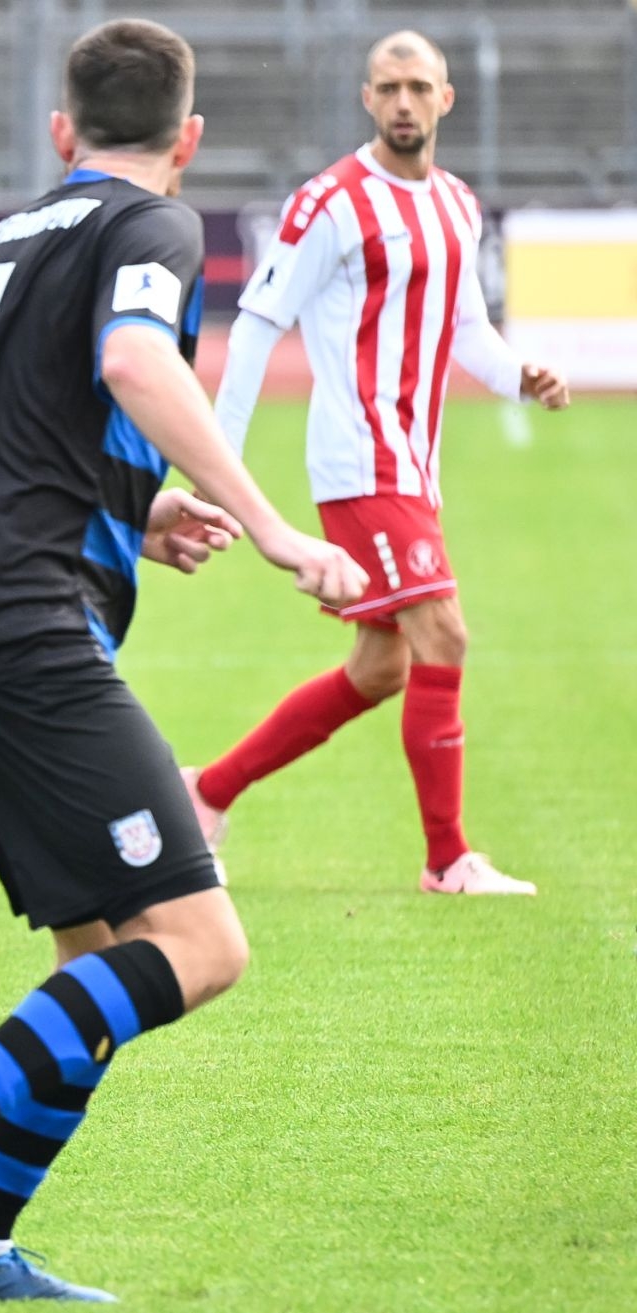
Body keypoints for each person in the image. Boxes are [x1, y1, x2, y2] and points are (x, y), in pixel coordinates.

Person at [0, 20, 368, 1302]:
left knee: (99, 959)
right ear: (190, 138)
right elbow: (132, 358)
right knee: (202, 942)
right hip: (27, 625)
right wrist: (276, 527)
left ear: (61, 132)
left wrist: (137, 505)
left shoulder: (8, 240)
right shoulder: (157, 226)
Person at [183, 30, 571, 897]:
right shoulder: (331, 202)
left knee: (382, 667)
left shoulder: (457, 204)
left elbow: (467, 327)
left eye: (418, 87)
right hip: (361, 460)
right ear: (366, 98)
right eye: (388, 87)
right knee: (445, 633)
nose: (403, 102)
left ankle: (205, 794)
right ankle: (447, 858)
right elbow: (257, 324)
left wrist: (519, 375)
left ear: (445, 99)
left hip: (414, 464)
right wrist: (219, 463)